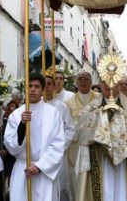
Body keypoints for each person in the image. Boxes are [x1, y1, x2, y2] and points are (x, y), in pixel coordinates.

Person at [75, 81, 127, 201]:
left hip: (125, 159)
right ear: (100, 84)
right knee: (105, 190)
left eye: (114, 82)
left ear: (119, 84)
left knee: (122, 189)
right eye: (105, 82)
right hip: (100, 156)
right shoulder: (92, 106)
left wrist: (120, 115)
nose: (110, 85)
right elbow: (81, 129)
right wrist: (101, 116)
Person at [4, 73, 65, 201]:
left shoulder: (53, 113)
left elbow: (58, 145)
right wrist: (22, 125)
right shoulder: (16, 115)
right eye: (30, 86)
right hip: (23, 170)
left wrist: (39, 166)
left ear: (43, 90)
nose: (32, 89)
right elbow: (11, 146)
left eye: (37, 86)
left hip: (44, 171)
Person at [65, 71, 101, 201]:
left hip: (96, 146)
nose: (83, 81)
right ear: (76, 82)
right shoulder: (68, 103)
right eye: (80, 79)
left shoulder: (99, 98)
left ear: (91, 82)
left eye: (86, 79)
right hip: (77, 148)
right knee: (77, 180)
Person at [45, 71, 75, 201]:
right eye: (44, 84)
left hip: (57, 152)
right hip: (39, 152)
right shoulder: (33, 105)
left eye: (50, 84)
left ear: (53, 87)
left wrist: (61, 146)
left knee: (58, 186)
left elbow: (70, 128)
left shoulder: (61, 106)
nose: (47, 87)